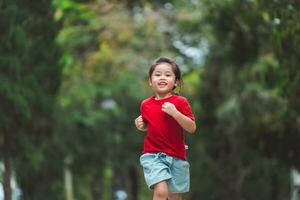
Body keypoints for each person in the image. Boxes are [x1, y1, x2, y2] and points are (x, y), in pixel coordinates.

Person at [134, 56, 196, 200]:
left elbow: (192, 127)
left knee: (175, 196)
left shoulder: (180, 102)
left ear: (176, 82)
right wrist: (141, 126)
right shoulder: (145, 104)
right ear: (150, 81)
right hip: (153, 155)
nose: (162, 77)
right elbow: (151, 126)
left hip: (177, 155)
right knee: (161, 191)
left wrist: (175, 113)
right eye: (157, 74)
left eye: (168, 75)